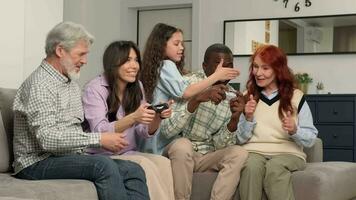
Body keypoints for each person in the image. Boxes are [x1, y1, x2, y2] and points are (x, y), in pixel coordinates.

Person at [12, 22, 149, 200]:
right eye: (81, 54)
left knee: (133, 169)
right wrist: (99, 139)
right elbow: (47, 138)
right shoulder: (40, 84)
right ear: (60, 51)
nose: (85, 61)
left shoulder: (69, 84)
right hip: (36, 163)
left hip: (64, 157)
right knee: (103, 165)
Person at [82, 40, 174, 200]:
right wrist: (133, 117)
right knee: (143, 164)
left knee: (163, 163)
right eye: (127, 60)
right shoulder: (94, 89)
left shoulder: (136, 86)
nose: (134, 66)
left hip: (127, 151)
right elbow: (100, 131)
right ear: (113, 63)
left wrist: (156, 117)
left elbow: (143, 131)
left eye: (136, 60)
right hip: (102, 156)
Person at [159, 43, 248, 200]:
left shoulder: (232, 96)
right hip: (180, 149)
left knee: (240, 153)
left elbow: (221, 145)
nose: (225, 70)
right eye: (219, 64)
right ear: (204, 65)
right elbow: (167, 131)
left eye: (229, 66)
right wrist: (197, 99)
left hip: (207, 154)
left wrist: (235, 119)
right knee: (182, 145)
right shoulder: (187, 84)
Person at [139, 22, 240, 154]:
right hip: (158, 131)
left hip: (158, 130)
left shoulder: (163, 67)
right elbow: (186, 92)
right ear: (161, 46)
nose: (181, 48)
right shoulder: (166, 65)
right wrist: (216, 76)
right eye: (176, 44)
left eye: (182, 44)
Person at [237, 44, 318, 200]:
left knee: (275, 168)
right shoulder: (248, 96)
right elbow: (239, 139)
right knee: (250, 167)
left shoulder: (296, 96)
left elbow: (311, 138)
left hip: (289, 153)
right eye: (255, 67)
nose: (258, 73)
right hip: (254, 152)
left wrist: (295, 130)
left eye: (265, 68)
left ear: (278, 69)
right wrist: (248, 117)